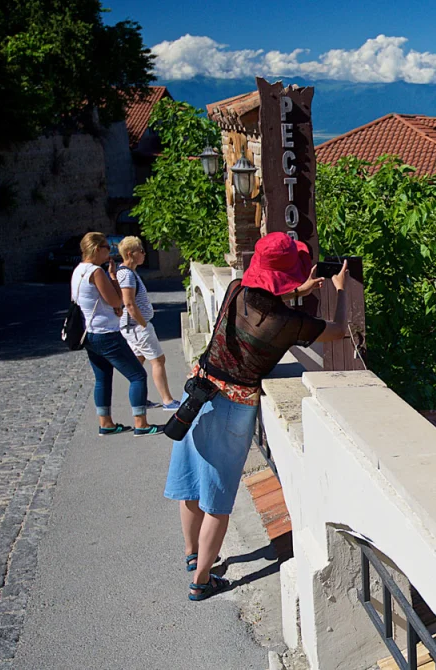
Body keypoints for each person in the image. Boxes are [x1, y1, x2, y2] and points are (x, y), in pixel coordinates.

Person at [164, 232, 349, 601]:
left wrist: (296, 288)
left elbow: (262, 302)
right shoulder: (289, 323)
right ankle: (201, 581)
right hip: (234, 409)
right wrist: (340, 290)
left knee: (191, 487)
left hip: (199, 396)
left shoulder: (235, 290)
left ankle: (191, 556)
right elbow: (339, 331)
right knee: (218, 499)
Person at [70, 232, 164, 437]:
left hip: (90, 333)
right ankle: (141, 424)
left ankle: (106, 423)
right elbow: (116, 301)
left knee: (102, 378)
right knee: (137, 375)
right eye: (106, 248)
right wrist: (112, 277)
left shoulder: (78, 271)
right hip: (107, 334)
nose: (109, 252)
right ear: (96, 250)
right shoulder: (96, 272)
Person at [116, 236, 179, 411]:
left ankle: (140, 400)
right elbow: (129, 303)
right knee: (158, 360)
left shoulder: (128, 272)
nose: (144, 254)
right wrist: (143, 324)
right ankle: (167, 401)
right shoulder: (127, 275)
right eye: (141, 251)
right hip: (137, 327)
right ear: (130, 254)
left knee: (137, 365)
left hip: (133, 327)